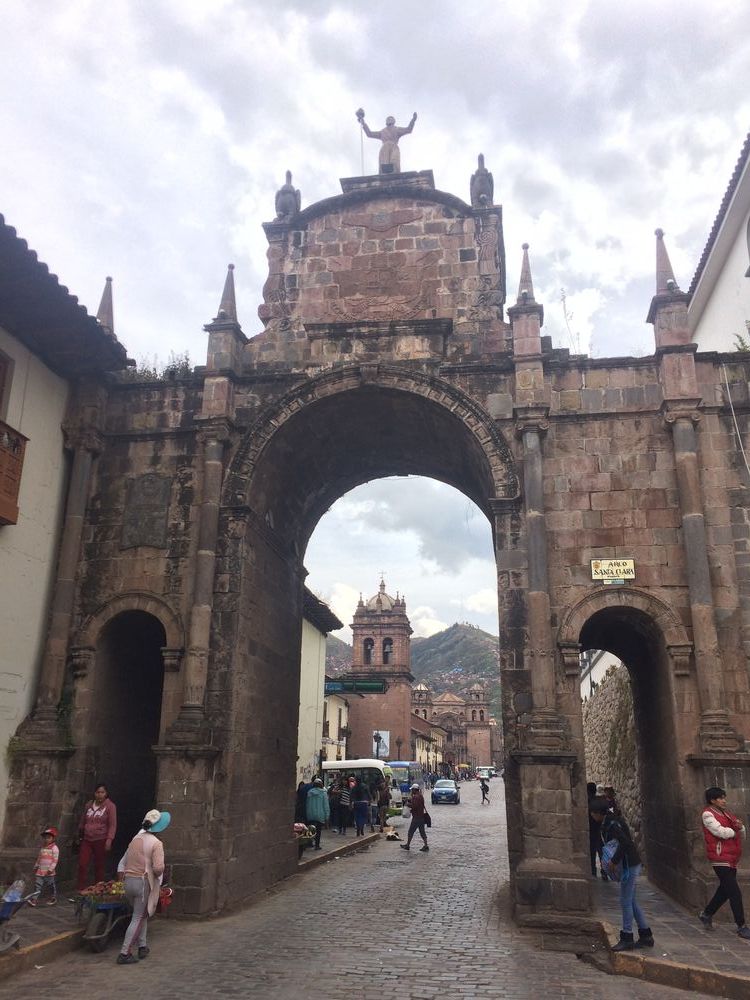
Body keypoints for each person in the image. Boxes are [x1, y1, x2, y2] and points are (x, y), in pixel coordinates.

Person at [589, 796, 653, 952]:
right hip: (630, 863)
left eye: (592, 812)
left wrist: (614, 861)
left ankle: (627, 936)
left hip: (628, 864)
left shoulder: (613, 824)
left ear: (597, 813)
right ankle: (646, 935)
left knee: (625, 900)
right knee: (631, 900)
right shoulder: (609, 821)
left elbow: (625, 842)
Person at [116, 808, 171, 965]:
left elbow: (124, 860)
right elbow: (159, 868)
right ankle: (125, 952)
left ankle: (142, 945)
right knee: (139, 916)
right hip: (143, 883)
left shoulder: (135, 839)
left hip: (129, 881)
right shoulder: (156, 843)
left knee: (141, 914)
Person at [699, 786, 750, 939]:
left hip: (731, 857)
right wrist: (734, 830)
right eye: (720, 798)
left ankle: (707, 913)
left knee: (725, 890)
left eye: (723, 797)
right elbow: (719, 831)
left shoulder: (726, 813)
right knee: (734, 891)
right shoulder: (708, 814)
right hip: (720, 858)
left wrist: (740, 828)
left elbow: (740, 829)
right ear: (712, 800)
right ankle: (741, 925)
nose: (724, 800)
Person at [77, 784, 117, 890]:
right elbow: (83, 819)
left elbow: (112, 824)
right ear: (95, 793)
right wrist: (80, 831)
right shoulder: (89, 805)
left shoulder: (110, 806)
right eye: (98, 792)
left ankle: (98, 889)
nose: (100, 795)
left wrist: (109, 840)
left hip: (101, 838)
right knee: (82, 863)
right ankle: (81, 889)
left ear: (106, 793)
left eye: (102, 792)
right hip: (87, 838)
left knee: (99, 865)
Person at [357, 109, 417, 173]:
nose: (389, 119)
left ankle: (395, 174)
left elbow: (408, 130)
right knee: (384, 164)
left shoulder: (397, 129)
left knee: (394, 161)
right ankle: (383, 176)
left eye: (391, 118)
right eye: (388, 119)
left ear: (394, 121)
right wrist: (363, 123)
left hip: (394, 147)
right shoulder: (382, 132)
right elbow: (369, 134)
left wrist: (413, 120)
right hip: (385, 147)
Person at [29, 826, 59, 907]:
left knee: (50, 885)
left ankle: (53, 898)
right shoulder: (42, 848)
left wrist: (51, 869)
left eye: (48, 838)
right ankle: (34, 900)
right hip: (40, 870)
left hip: (49, 872)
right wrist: (36, 866)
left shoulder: (55, 848)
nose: (46, 839)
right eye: (45, 838)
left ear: (53, 838)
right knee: (37, 885)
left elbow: (55, 860)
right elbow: (39, 858)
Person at [401, 783, 429, 852]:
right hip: (421, 817)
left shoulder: (416, 797)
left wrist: (408, 804)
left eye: (412, 790)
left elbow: (414, 806)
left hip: (416, 817)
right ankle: (426, 845)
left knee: (410, 832)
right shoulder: (420, 796)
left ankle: (407, 845)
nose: (411, 791)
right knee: (422, 832)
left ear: (414, 790)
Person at [587, 781, 606, 880]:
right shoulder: (600, 801)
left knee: (592, 851)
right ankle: (604, 871)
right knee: (601, 850)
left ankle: (593, 872)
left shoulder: (588, 801)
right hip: (599, 829)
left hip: (591, 830)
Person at [305, 778, 330, 850]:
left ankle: (309, 843)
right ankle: (317, 845)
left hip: (310, 814)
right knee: (318, 831)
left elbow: (307, 804)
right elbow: (326, 805)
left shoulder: (309, 792)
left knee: (311, 830)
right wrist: (327, 816)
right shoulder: (323, 793)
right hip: (320, 814)